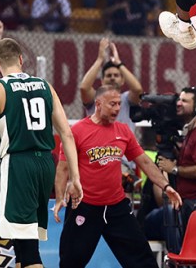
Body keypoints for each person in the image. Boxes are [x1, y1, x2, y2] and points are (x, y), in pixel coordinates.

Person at [0, 38, 82, 268]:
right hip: (45, 164)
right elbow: (67, 134)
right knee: (21, 245)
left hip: (18, 165)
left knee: (29, 250)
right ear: (21, 60)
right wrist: (75, 178)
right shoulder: (45, 86)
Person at [53, 85, 182, 267]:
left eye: (119, 104)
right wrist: (59, 198)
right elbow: (63, 168)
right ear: (98, 104)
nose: (117, 109)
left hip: (116, 207)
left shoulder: (123, 131)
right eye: (112, 104)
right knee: (70, 261)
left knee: (143, 260)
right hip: (85, 206)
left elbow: (144, 162)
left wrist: (166, 186)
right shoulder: (78, 131)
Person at [144, 87, 196, 252]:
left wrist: (174, 169)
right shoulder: (191, 132)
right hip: (187, 203)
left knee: (165, 213)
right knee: (151, 219)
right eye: (179, 99)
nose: (178, 103)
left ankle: (179, 258)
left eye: (185, 101)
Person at [79, 38, 142, 133]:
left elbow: (137, 90)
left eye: (116, 75)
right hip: (98, 147)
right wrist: (99, 60)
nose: (112, 78)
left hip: (124, 147)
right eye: (109, 75)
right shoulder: (96, 99)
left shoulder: (126, 99)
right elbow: (84, 88)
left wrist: (119, 64)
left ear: (122, 80)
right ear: (102, 81)